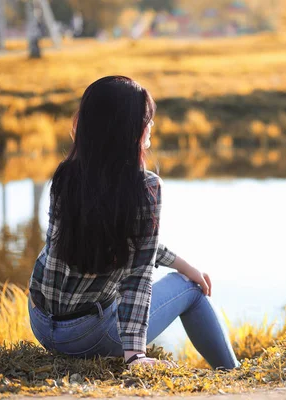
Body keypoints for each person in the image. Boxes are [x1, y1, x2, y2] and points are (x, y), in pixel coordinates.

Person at [28, 76, 239, 370]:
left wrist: (180, 262)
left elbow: (134, 241)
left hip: (40, 321)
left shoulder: (66, 176)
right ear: (129, 129)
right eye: (146, 119)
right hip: (85, 337)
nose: (150, 125)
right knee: (190, 288)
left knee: (181, 276)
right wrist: (135, 355)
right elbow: (138, 278)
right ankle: (233, 374)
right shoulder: (146, 188)